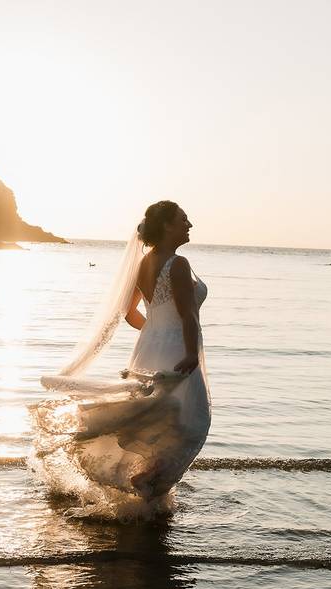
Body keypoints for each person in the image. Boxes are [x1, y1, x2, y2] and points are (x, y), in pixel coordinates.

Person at [30, 201, 211, 519]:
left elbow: (129, 314)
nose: (189, 225)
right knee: (192, 422)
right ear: (168, 225)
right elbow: (187, 316)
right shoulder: (178, 264)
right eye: (183, 220)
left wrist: (156, 330)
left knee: (154, 415)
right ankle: (149, 487)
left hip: (150, 347)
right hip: (177, 351)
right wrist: (188, 352)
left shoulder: (142, 263)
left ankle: (149, 490)